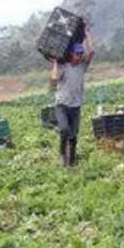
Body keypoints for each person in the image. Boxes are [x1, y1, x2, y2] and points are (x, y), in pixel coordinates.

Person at [50, 30, 94, 167]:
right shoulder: (63, 66)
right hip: (62, 105)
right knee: (64, 129)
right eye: (77, 54)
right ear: (71, 54)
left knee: (74, 136)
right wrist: (56, 62)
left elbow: (91, 51)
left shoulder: (82, 66)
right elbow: (55, 78)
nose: (80, 56)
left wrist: (86, 34)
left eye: (81, 53)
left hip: (76, 106)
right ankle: (62, 154)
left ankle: (72, 163)